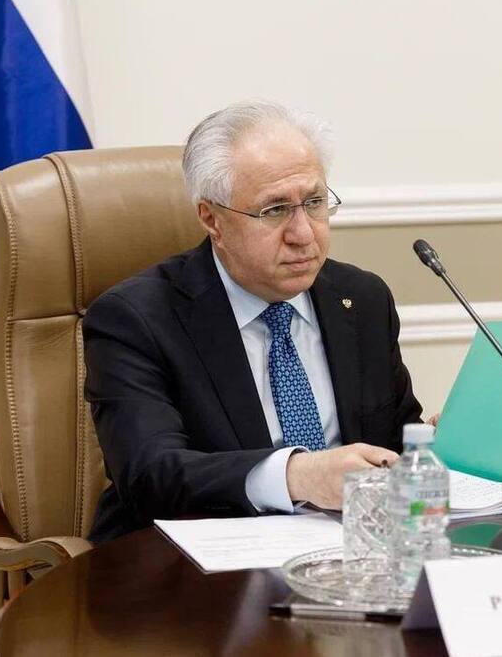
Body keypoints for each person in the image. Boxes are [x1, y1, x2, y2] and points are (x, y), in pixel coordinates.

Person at [83, 101, 422, 543]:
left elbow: (394, 441)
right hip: (193, 560)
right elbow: (150, 475)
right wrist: (296, 476)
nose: (304, 234)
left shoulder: (362, 298)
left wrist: (439, 443)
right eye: (275, 210)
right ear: (212, 219)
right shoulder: (136, 319)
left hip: (350, 553)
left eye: (314, 203)